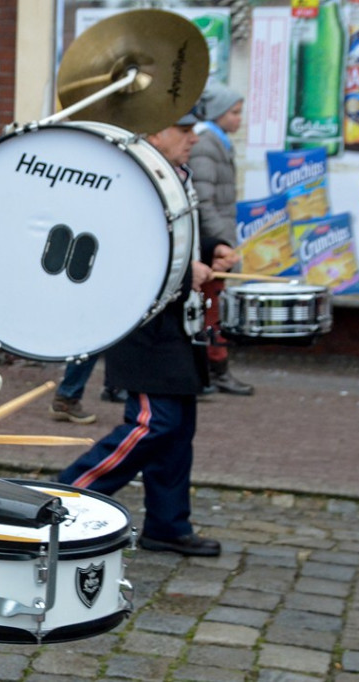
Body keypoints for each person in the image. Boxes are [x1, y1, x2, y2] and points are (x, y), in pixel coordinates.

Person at [57, 109, 238, 558]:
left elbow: (193, 227)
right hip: (143, 323)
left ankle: (167, 524)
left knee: (178, 430)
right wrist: (183, 275)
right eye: (183, 129)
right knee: (152, 424)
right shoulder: (130, 180)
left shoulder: (179, 173)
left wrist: (216, 245)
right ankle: (62, 498)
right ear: (154, 131)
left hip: (181, 319)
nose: (193, 138)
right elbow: (121, 253)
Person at [188, 83, 253, 396]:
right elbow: (204, 201)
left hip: (216, 239)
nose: (239, 119)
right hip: (212, 242)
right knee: (210, 309)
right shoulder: (206, 144)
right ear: (217, 113)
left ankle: (214, 369)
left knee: (212, 308)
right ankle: (214, 369)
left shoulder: (219, 142)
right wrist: (219, 242)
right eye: (234, 112)